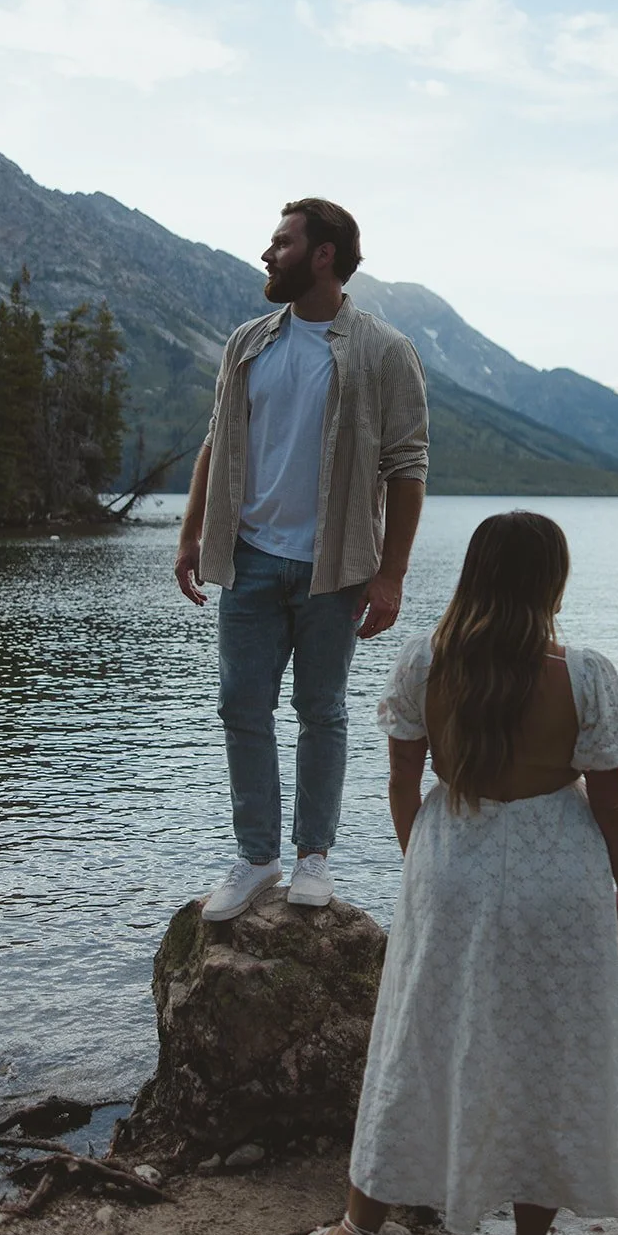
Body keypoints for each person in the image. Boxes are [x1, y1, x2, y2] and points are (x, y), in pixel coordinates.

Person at [302, 511, 618, 1235]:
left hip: (453, 862)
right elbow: (613, 802)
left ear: (473, 573)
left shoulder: (424, 661)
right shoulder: (585, 672)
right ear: (550, 580)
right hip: (559, 883)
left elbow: (400, 786)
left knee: (416, 1045)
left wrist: (428, 867)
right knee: (552, 1061)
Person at [175, 198, 428, 921]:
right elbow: (215, 443)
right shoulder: (249, 342)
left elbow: (407, 467)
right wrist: (192, 534)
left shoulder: (381, 350)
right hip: (250, 559)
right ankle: (258, 858)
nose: (267, 252)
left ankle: (313, 857)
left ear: (323, 255)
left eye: (281, 242)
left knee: (321, 712)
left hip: (334, 568)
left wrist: (392, 574)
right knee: (239, 705)